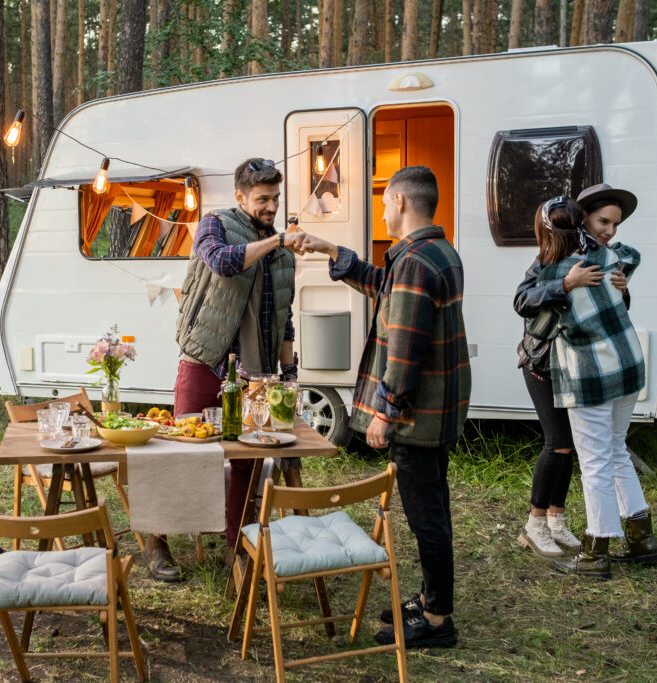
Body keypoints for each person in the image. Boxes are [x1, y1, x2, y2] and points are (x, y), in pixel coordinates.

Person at [296, 166, 470, 649]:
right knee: (434, 506)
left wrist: (384, 412)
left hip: (417, 416)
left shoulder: (415, 262)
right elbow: (384, 287)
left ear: (398, 200)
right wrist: (331, 251)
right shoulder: (436, 251)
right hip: (439, 410)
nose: (382, 209)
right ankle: (433, 598)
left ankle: (437, 619)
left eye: (384, 201)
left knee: (426, 516)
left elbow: (405, 348)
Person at [163, 158, 304, 582]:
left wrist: (288, 370)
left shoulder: (282, 251)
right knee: (177, 453)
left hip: (254, 372)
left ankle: (235, 547)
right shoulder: (214, 224)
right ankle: (158, 540)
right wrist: (276, 240)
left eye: (275, 198)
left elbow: (285, 312)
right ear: (240, 197)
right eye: (262, 199)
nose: (270, 206)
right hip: (204, 358)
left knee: (247, 462)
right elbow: (222, 262)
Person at [531, 186, 657, 579]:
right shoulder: (614, 257)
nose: (609, 230)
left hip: (591, 374)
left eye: (613, 224)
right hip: (628, 367)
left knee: (594, 463)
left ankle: (596, 552)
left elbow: (523, 299)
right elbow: (631, 256)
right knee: (616, 451)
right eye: (603, 221)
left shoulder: (557, 267)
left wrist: (602, 285)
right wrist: (618, 278)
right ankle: (642, 540)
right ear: (582, 218)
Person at [513, 203, 629, 558]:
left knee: (570, 446)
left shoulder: (593, 257)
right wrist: (566, 283)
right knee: (559, 442)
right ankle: (533, 526)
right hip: (542, 365)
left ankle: (555, 521)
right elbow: (522, 300)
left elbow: (609, 310)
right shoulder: (545, 263)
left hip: (574, 368)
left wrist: (622, 290)